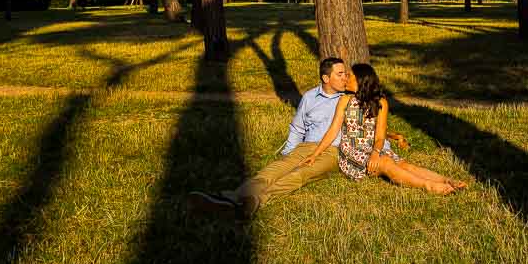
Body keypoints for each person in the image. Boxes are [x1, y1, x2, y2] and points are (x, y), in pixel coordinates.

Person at [188, 56, 355, 216]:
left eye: (345, 74)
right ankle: (232, 197)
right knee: (273, 170)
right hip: (307, 146)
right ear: (326, 78)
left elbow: (367, 128)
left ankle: (254, 201)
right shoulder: (310, 97)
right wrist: (288, 153)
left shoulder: (351, 99)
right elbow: (298, 127)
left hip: (332, 151)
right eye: (340, 74)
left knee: (300, 174)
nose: (345, 78)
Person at [301, 63, 466, 195]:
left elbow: (380, 137)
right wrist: (315, 154)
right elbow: (333, 130)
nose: (345, 79)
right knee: (386, 163)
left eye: (349, 76)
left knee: (405, 165)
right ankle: (428, 186)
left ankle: (446, 180)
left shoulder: (381, 103)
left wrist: (375, 152)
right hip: (352, 151)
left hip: (373, 148)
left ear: (360, 80)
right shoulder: (345, 100)